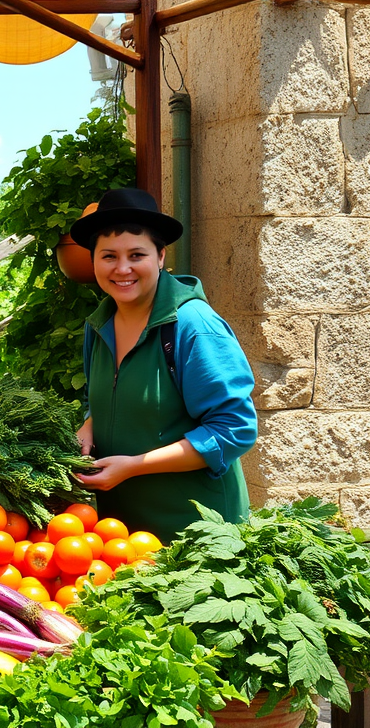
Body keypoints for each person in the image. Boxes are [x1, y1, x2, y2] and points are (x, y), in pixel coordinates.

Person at [70, 187, 256, 538]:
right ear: (93, 260)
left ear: (160, 256)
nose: (122, 268)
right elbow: (115, 397)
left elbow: (234, 430)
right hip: (120, 534)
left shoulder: (193, 326)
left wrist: (134, 467)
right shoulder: (99, 325)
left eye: (136, 254)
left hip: (195, 534)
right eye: (108, 256)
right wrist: (90, 425)